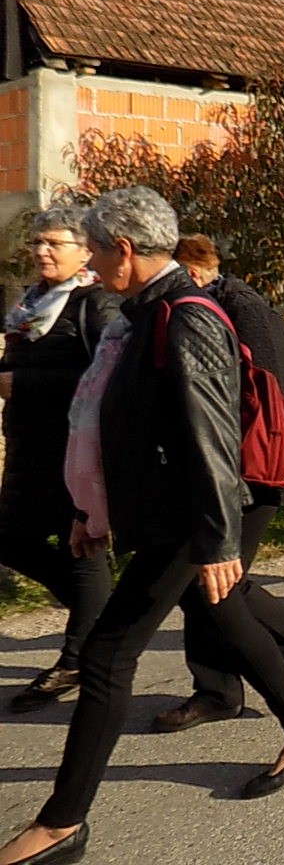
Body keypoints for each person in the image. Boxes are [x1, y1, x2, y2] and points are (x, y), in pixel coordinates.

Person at [0, 187, 284, 865]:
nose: (89, 263)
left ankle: (62, 823)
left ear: (124, 248)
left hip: (191, 515)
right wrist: (97, 514)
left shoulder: (187, 317)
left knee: (105, 655)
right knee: (225, 613)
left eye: (94, 249)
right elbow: (129, 426)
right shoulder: (141, 313)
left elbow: (209, 438)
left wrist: (214, 541)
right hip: (163, 511)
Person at [155, 234, 284, 732]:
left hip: (256, 468)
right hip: (222, 466)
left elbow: (278, 396)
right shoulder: (200, 305)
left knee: (217, 582)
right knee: (206, 581)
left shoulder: (242, 308)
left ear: (190, 273)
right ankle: (217, 689)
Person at [0, 207, 118, 715]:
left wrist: (21, 383)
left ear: (85, 251)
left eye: (54, 243)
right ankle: (98, 615)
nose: (41, 251)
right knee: (9, 537)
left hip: (73, 450)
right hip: (28, 446)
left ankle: (77, 656)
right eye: (37, 243)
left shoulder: (96, 303)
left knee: (83, 546)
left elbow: (105, 379)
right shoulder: (32, 303)